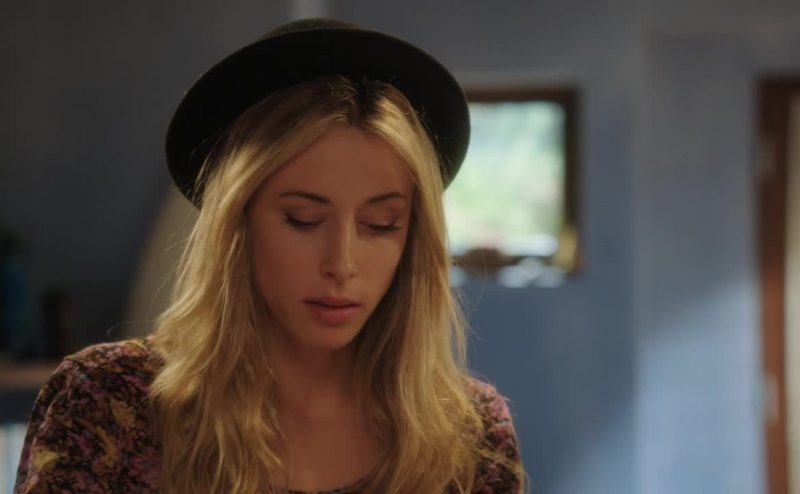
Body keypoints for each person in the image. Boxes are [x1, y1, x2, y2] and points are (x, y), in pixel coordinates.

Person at [14, 18, 525, 494]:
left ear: (413, 239)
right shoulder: (107, 404)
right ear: (237, 224)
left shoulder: (471, 436)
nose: (341, 264)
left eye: (380, 224)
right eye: (303, 219)